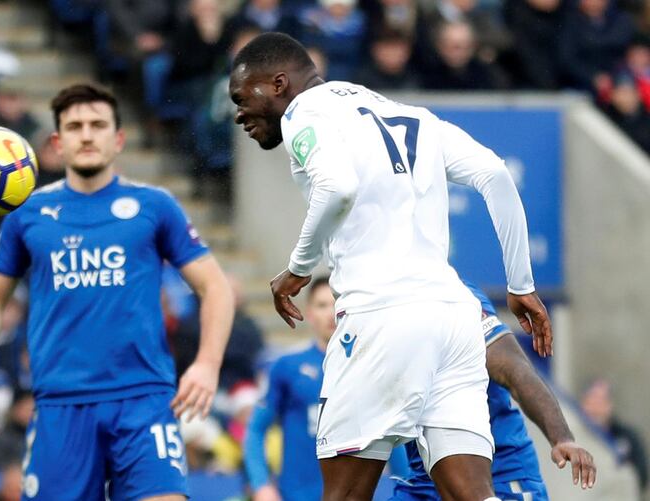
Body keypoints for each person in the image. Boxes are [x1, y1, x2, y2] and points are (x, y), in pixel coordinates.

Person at [229, 32, 554, 501]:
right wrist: (521, 284)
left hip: (381, 315)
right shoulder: (408, 114)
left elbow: (336, 185)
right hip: (453, 318)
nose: (239, 113)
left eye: (242, 98)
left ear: (278, 83)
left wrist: (299, 267)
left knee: (342, 494)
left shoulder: (305, 114)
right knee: (472, 494)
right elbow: (495, 174)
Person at [0, 83, 235, 501]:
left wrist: (207, 365)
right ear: (56, 142)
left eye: (98, 125)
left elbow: (214, 287)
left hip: (143, 400)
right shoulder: (27, 215)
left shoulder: (154, 206)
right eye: (74, 126)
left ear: (118, 139)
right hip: (61, 405)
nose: (86, 134)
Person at [390, 282, 596, 500]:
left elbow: (514, 370)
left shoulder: (455, 297)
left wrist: (561, 438)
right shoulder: (368, 301)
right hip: (424, 481)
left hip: (498, 475)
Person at [243, 276, 335, 501]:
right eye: (322, 305)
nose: (331, 313)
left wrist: (404, 482)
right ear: (309, 313)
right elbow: (255, 429)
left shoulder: (367, 369)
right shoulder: (287, 366)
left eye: (337, 304)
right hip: (297, 495)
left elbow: (393, 440)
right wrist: (261, 485)